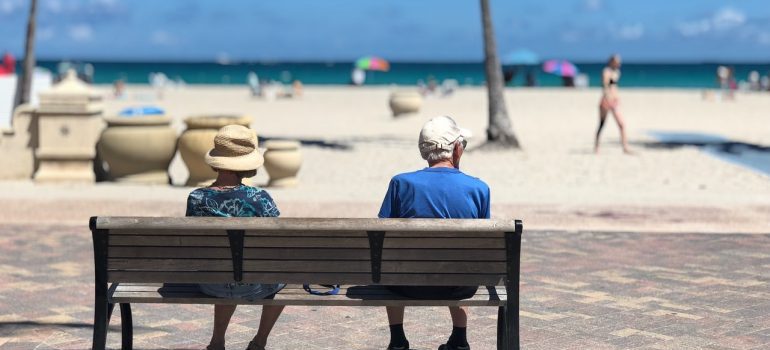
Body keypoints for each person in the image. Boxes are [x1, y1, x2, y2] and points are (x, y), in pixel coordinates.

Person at [378, 116, 490, 350]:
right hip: (460, 285)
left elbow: (382, 235)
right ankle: (460, 339)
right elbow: (481, 247)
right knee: (461, 259)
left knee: (393, 262)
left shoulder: (401, 184)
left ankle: (397, 341)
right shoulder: (479, 189)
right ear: (457, 149)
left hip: (406, 284)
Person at [186, 125, 285, 350]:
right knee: (286, 272)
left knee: (225, 266)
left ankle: (217, 341)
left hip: (210, 284)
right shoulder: (260, 198)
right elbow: (278, 242)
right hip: (256, 285)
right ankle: (259, 342)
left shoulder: (196, 198)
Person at [595, 54, 631, 154]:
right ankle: (597, 146)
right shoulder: (606, 71)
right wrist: (608, 96)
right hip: (606, 101)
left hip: (615, 102)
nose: (619, 63)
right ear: (611, 61)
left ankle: (625, 147)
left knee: (621, 124)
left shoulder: (617, 72)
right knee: (602, 124)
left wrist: (617, 98)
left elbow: (614, 87)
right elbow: (605, 85)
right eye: (617, 61)